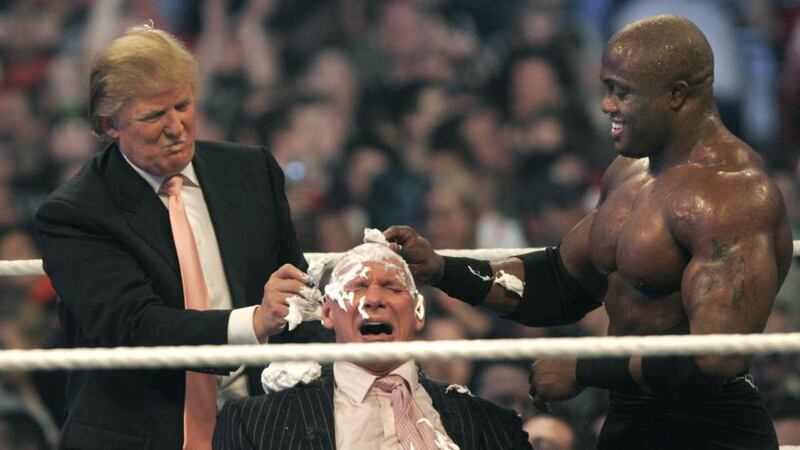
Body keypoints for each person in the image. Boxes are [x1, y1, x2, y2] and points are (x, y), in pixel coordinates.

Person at [384, 14, 793, 450]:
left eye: (622, 92)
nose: (606, 105)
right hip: (629, 417)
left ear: (677, 95)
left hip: (711, 429)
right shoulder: (630, 174)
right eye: (606, 88)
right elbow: (561, 282)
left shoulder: (731, 195)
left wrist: (583, 370)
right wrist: (444, 269)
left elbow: (715, 355)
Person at [34, 24, 330, 449]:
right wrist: (252, 322)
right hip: (139, 431)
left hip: (261, 425)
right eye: (154, 116)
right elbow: (133, 325)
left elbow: (294, 292)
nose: (176, 126)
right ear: (110, 124)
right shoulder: (76, 213)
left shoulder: (250, 172)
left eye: (183, 105)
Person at [213, 243, 532, 449]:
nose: (374, 300)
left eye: (391, 287)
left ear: (418, 311)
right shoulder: (255, 424)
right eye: (358, 286)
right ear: (327, 312)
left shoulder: (492, 425)